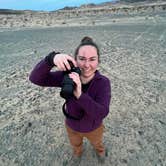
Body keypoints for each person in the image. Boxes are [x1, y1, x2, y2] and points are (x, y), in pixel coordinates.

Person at [29, 36, 111, 162]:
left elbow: (101, 113)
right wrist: (51, 59)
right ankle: (77, 154)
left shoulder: (103, 83)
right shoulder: (66, 77)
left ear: (98, 61)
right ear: (75, 60)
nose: (87, 65)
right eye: (82, 59)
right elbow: (35, 79)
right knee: (75, 144)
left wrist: (79, 95)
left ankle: (100, 151)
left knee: (97, 143)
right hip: (72, 126)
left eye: (92, 59)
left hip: (94, 128)